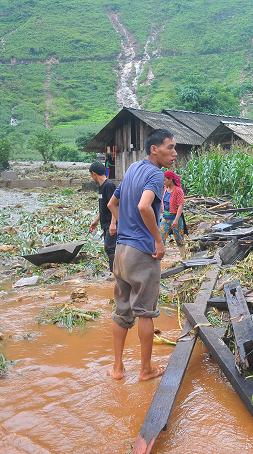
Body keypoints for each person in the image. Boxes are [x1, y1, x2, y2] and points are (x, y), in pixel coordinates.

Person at [106, 129, 177, 381]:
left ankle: (117, 368)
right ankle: (145, 370)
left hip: (121, 251)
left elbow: (112, 204)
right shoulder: (156, 175)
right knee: (145, 311)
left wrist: (118, 223)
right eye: (170, 147)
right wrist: (158, 239)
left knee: (122, 311)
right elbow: (144, 206)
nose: (174, 153)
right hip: (141, 252)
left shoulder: (133, 169)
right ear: (154, 149)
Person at [88, 162, 117, 278]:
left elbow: (115, 205)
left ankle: (115, 273)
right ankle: (116, 272)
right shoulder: (101, 186)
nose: (92, 177)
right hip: (105, 223)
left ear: (94, 173)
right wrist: (96, 221)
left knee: (110, 248)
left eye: (91, 175)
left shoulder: (109, 185)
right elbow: (105, 207)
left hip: (111, 222)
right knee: (111, 248)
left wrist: (113, 223)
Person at [159, 170, 188, 260]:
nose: (164, 182)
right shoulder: (165, 190)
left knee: (179, 239)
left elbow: (180, 206)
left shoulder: (178, 191)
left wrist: (176, 220)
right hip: (165, 218)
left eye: (165, 180)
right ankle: (159, 259)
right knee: (161, 237)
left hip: (175, 218)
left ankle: (183, 257)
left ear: (170, 179)